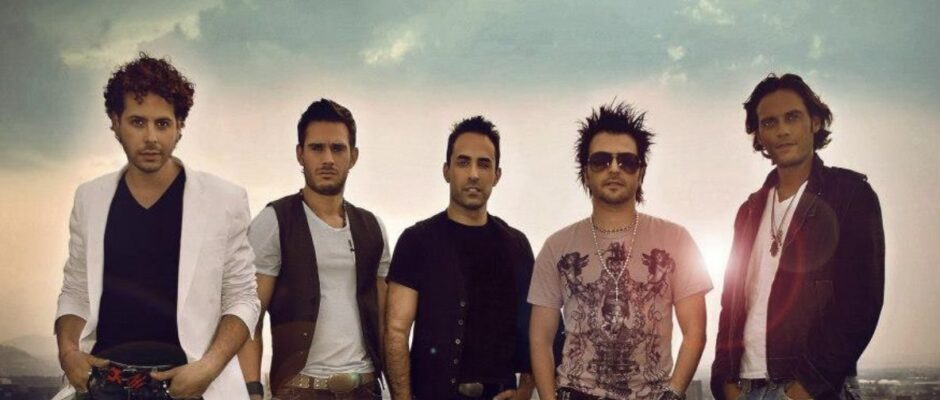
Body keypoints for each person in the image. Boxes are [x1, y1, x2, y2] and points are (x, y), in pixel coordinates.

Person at [53, 53, 260, 400]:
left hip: (190, 385)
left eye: (162, 124)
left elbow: (242, 297)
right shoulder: (90, 198)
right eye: (137, 122)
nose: (151, 137)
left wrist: (209, 367)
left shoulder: (224, 200)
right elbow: (75, 289)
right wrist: (68, 352)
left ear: (179, 127)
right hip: (103, 383)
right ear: (115, 122)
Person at [711, 73, 885, 400]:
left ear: (815, 122)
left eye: (792, 117)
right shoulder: (748, 211)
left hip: (813, 389)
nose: (782, 130)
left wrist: (804, 388)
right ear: (758, 135)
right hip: (746, 388)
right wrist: (724, 381)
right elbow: (730, 303)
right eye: (769, 122)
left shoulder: (850, 195)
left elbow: (860, 304)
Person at [528, 102, 712, 400]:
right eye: (601, 160)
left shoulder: (676, 240)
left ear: (641, 173)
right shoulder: (557, 246)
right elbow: (540, 338)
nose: (614, 169)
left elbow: (695, 333)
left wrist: (673, 394)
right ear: (585, 173)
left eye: (626, 161)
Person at [237, 99, 390, 400]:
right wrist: (253, 391)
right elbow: (249, 318)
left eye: (338, 148)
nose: (328, 159)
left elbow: (385, 324)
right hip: (300, 390)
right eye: (317, 148)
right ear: (300, 154)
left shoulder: (373, 227)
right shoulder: (275, 221)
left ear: (353, 156)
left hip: (365, 388)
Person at [385, 116, 538, 399]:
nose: (474, 174)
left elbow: (534, 326)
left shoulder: (516, 245)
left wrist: (525, 389)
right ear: (447, 171)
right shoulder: (416, 241)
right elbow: (396, 331)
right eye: (463, 162)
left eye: (484, 164)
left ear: (497, 175)